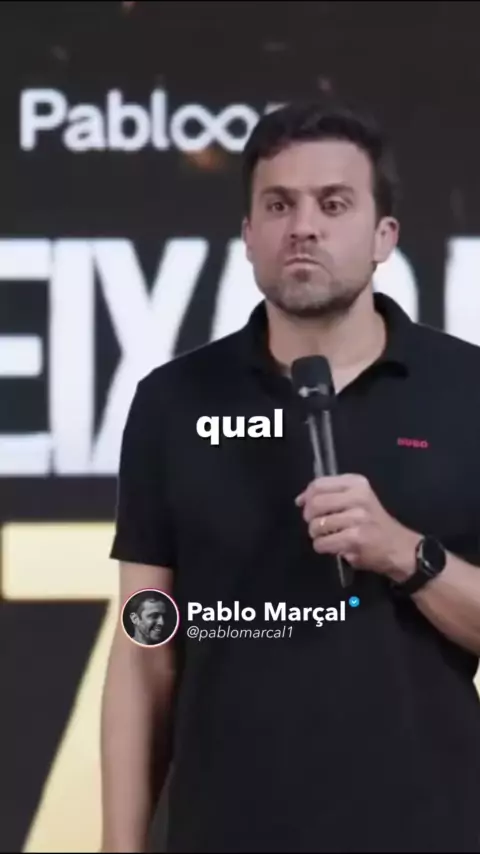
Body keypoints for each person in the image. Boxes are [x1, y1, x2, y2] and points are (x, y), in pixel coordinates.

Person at [101, 100, 480, 853]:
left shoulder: (467, 391)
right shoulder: (173, 402)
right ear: (249, 236)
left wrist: (407, 553)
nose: (303, 226)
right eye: (279, 205)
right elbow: (145, 650)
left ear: (384, 236)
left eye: (333, 204)